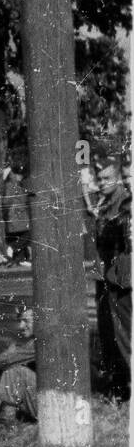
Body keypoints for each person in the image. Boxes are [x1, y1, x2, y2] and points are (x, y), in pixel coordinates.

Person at [94, 160, 131, 399]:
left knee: (123, 332)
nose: (101, 183)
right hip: (107, 276)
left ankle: (124, 384)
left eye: (106, 178)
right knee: (109, 331)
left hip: (121, 277)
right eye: (99, 179)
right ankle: (117, 383)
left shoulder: (124, 202)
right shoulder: (105, 203)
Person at [2, 166, 31, 264]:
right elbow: (7, 201)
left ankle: (19, 259)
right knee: (28, 235)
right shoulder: (11, 185)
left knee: (20, 237)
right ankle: (12, 248)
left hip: (18, 217)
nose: (21, 177)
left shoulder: (17, 185)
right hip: (16, 217)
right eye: (19, 175)